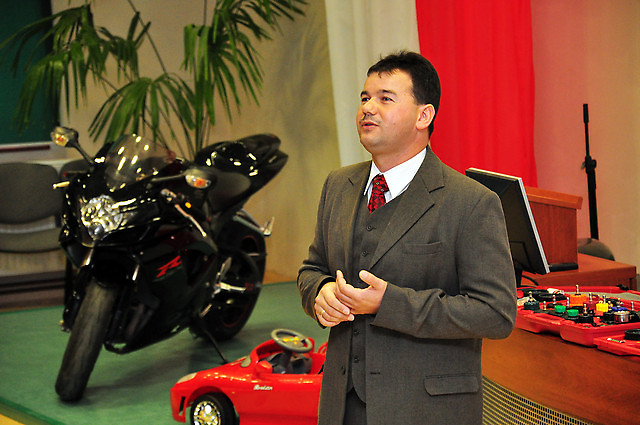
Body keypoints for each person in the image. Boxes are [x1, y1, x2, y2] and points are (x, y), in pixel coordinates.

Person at [297, 50, 517, 425]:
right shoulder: (338, 185)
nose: (368, 108)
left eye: (385, 98)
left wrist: (389, 304)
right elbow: (311, 269)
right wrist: (320, 293)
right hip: (342, 404)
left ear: (423, 116)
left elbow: (495, 313)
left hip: (425, 408)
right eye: (365, 98)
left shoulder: (471, 202)